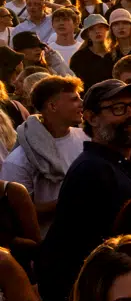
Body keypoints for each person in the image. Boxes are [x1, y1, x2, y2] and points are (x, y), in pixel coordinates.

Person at [36, 79, 131, 301]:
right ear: (91, 117)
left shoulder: (120, 164)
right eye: (118, 109)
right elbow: (91, 250)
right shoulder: (92, 171)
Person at [2, 75, 84, 237]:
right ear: (53, 106)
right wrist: (71, 200)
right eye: (74, 99)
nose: (82, 103)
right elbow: (14, 210)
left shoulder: (86, 138)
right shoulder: (20, 160)